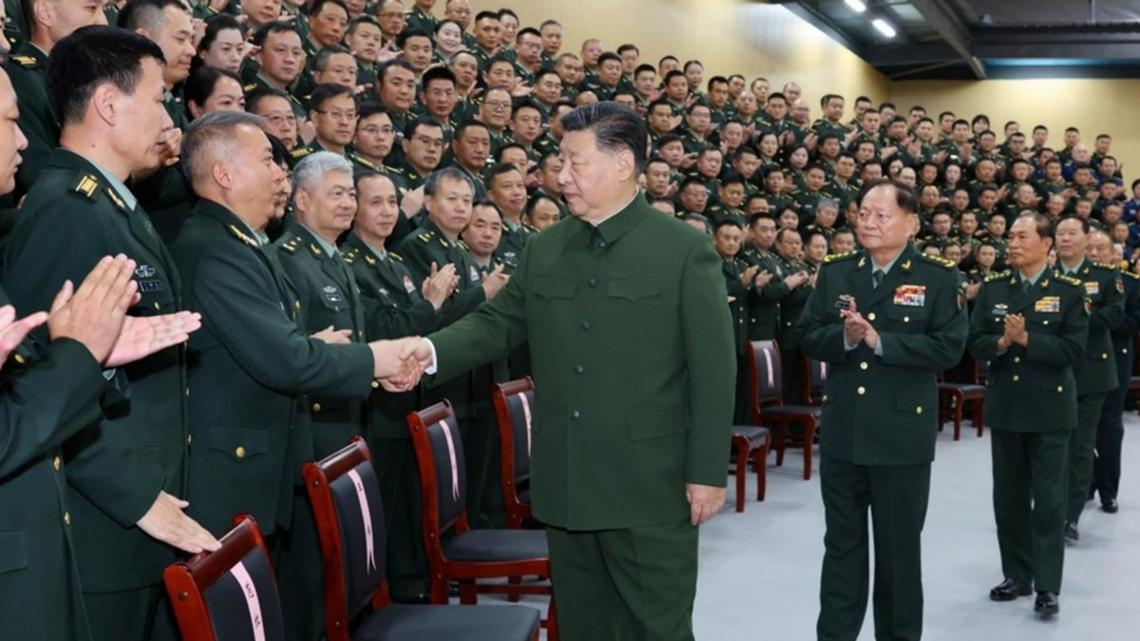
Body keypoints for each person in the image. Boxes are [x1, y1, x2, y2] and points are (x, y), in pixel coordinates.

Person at [398, 102, 734, 641]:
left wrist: (707, 473)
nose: (562, 176)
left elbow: (714, 370)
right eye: (560, 162)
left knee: (658, 628)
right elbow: (496, 324)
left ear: (623, 164)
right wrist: (425, 354)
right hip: (568, 480)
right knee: (581, 627)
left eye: (576, 163)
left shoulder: (683, 250)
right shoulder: (546, 247)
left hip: (649, 485)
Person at [2, 26, 219, 641]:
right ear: (107, 103)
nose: (169, 118)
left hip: (142, 509)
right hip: (108, 520)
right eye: (158, 100)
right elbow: (42, 380)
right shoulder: (67, 209)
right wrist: (135, 499)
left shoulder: (113, 205)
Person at [171, 114, 421, 637]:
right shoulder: (218, 249)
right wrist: (377, 358)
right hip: (233, 474)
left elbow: (286, 345)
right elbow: (285, 359)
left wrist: (310, 349)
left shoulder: (244, 243)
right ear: (224, 174)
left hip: (265, 462)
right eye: (267, 161)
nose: (280, 176)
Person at [797, 178, 968, 641]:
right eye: (864, 213)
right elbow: (808, 333)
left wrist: (881, 341)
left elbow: (949, 348)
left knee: (897, 557)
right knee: (842, 551)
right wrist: (845, 340)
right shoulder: (837, 271)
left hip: (900, 441)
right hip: (845, 435)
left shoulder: (937, 276)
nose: (868, 222)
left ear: (911, 223)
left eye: (882, 214)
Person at [342, 169, 457, 601]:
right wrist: (429, 303)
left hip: (409, 400)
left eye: (393, 202)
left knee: (410, 503)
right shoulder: (352, 263)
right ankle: (390, 595)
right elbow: (386, 328)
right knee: (383, 509)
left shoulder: (392, 261)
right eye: (376, 202)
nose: (388, 211)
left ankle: (411, 584)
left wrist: (426, 307)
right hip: (380, 406)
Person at [968, 212, 1088, 618]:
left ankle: (1048, 586)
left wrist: (1028, 340)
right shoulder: (995, 288)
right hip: (1006, 408)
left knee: (1050, 503)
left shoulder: (1069, 291)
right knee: (1009, 498)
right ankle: (1017, 574)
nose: (1012, 243)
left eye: (1022, 237)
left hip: (1051, 410)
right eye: (1011, 237)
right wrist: (1002, 342)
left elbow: (1074, 351)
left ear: (1046, 244)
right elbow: (975, 342)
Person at [1053, 216, 1123, 542]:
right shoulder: (1046, 275)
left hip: (1091, 372)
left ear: (1085, 239)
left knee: (1080, 445)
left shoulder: (1105, 276)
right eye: (1060, 233)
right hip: (1050, 370)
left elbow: (1114, 314)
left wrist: (1074, 315)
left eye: (1072, 233)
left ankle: (1069, 514)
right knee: (1051, 445)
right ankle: (1048, 506)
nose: (1065, 238)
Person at [1090, 229, 1140, 513]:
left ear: (1113, 255)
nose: (1095, 254)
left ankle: (1108, 490)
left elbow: (1133, 322)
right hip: (1083, 362)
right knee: (1080, 428)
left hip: (1115, 361)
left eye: (1100, 249)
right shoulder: (1077, 281)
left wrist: (1099, 320)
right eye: (1091, 249)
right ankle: (1083, 485)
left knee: (1109, 427)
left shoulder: (1130, 284)